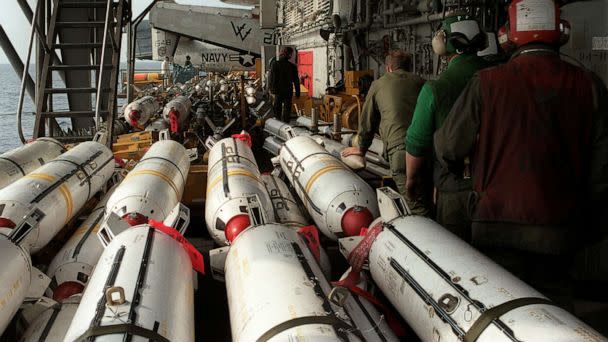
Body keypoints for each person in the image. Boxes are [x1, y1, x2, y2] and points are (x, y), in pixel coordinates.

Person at [434, 0, 608, 304]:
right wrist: (587, 226)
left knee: (497, 313)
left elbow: (448, 146)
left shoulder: (487, 82)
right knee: (553, 317)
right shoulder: (590, 85)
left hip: (495, 225)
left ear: (505, 37)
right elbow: (602, 171)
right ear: (562, 32)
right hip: (560, 230)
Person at [405, 14, 490, 233]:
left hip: (455, 191)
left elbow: (416, 145)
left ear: (442, 44)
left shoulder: (435, 89)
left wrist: (411, 182)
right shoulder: (499, 79)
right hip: (497, 189)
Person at [342, 50, 426, 214]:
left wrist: (361, 149)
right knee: (428, 202)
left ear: (388, 68)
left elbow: (367, 121)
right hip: (429, 152)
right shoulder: (423, 83)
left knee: (417, 210)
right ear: (409, 67)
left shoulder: (379, 84)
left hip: (401, 152)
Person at [268, 47, 300, 122]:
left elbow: (272, 78)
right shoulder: (292, 66)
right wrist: (297, 92)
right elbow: (296, 81)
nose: (291, 55)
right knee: (287, 110)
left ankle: (277, 123)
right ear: (288, 54)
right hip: (288, 91)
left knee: (277, 108)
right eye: (291, 54)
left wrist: (271, 89)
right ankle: (286, 124)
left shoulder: (275, 64)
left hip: (278, 91)